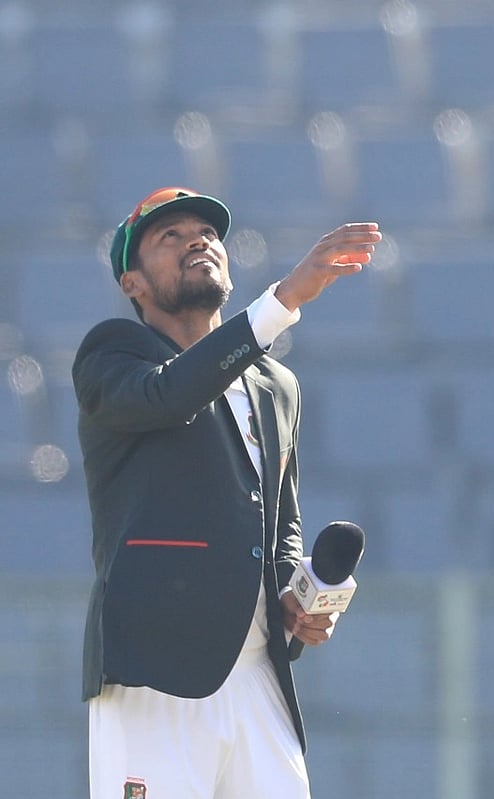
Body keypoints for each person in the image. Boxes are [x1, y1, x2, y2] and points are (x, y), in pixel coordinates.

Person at [74, 186, 382, 798]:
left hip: (258, 678)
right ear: (131, 283)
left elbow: (280, 519)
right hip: (155, 673)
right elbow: (170, 393)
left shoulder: (276, 383)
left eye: (208, 234)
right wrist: (283, 301)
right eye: (170, 236)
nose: (197, 240)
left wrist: (298, 589)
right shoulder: (114, 354)